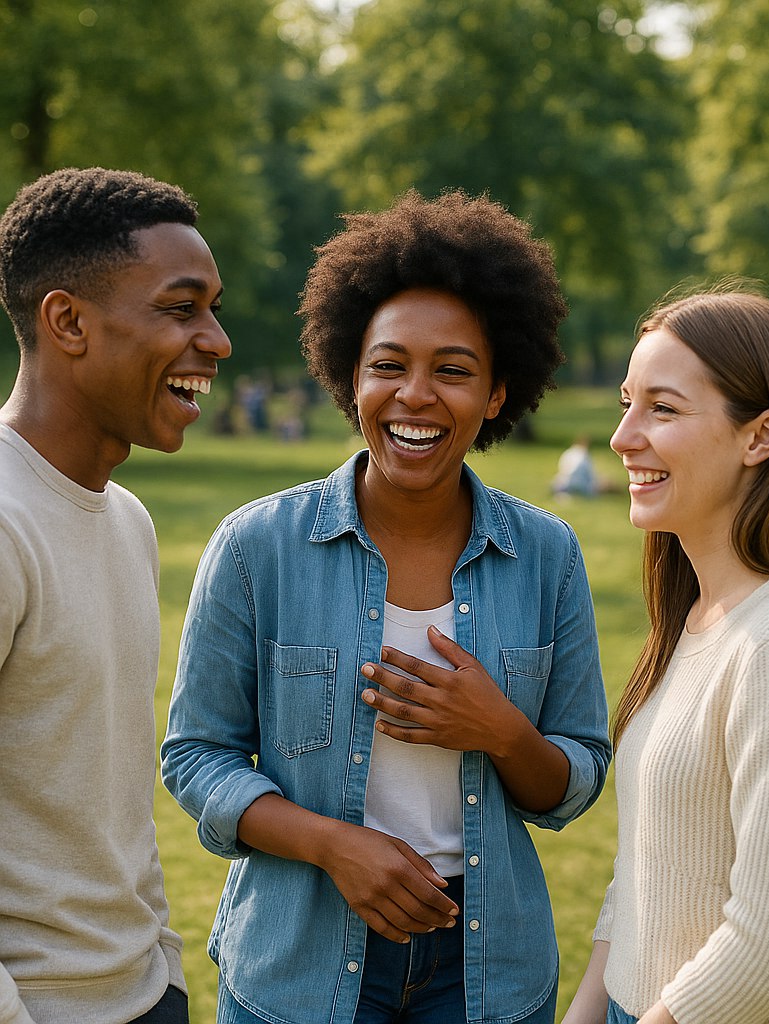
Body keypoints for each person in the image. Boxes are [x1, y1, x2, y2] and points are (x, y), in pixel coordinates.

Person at [161, 190, 611, 1024]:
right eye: (389, 365)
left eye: (452, 370)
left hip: (484, 973)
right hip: (297, 965)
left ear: (498, 393)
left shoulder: (546, 556)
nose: (415, 396)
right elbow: (196, 756)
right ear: (350, 375)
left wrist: (501, 730)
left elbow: (575, 779)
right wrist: (336, 847)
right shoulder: (257, 547)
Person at [563, 291, 769, 1024]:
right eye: (626, 403)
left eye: (663, 409)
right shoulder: (698, 617)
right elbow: (645, 873)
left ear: (760, 436)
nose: (622, 437)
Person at [0, 167, 230, 1023]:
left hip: (143, 992)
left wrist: (163, 973)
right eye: (181, 308)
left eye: (212, 308)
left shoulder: (127, 520)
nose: (216, 339)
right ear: (67, 321)